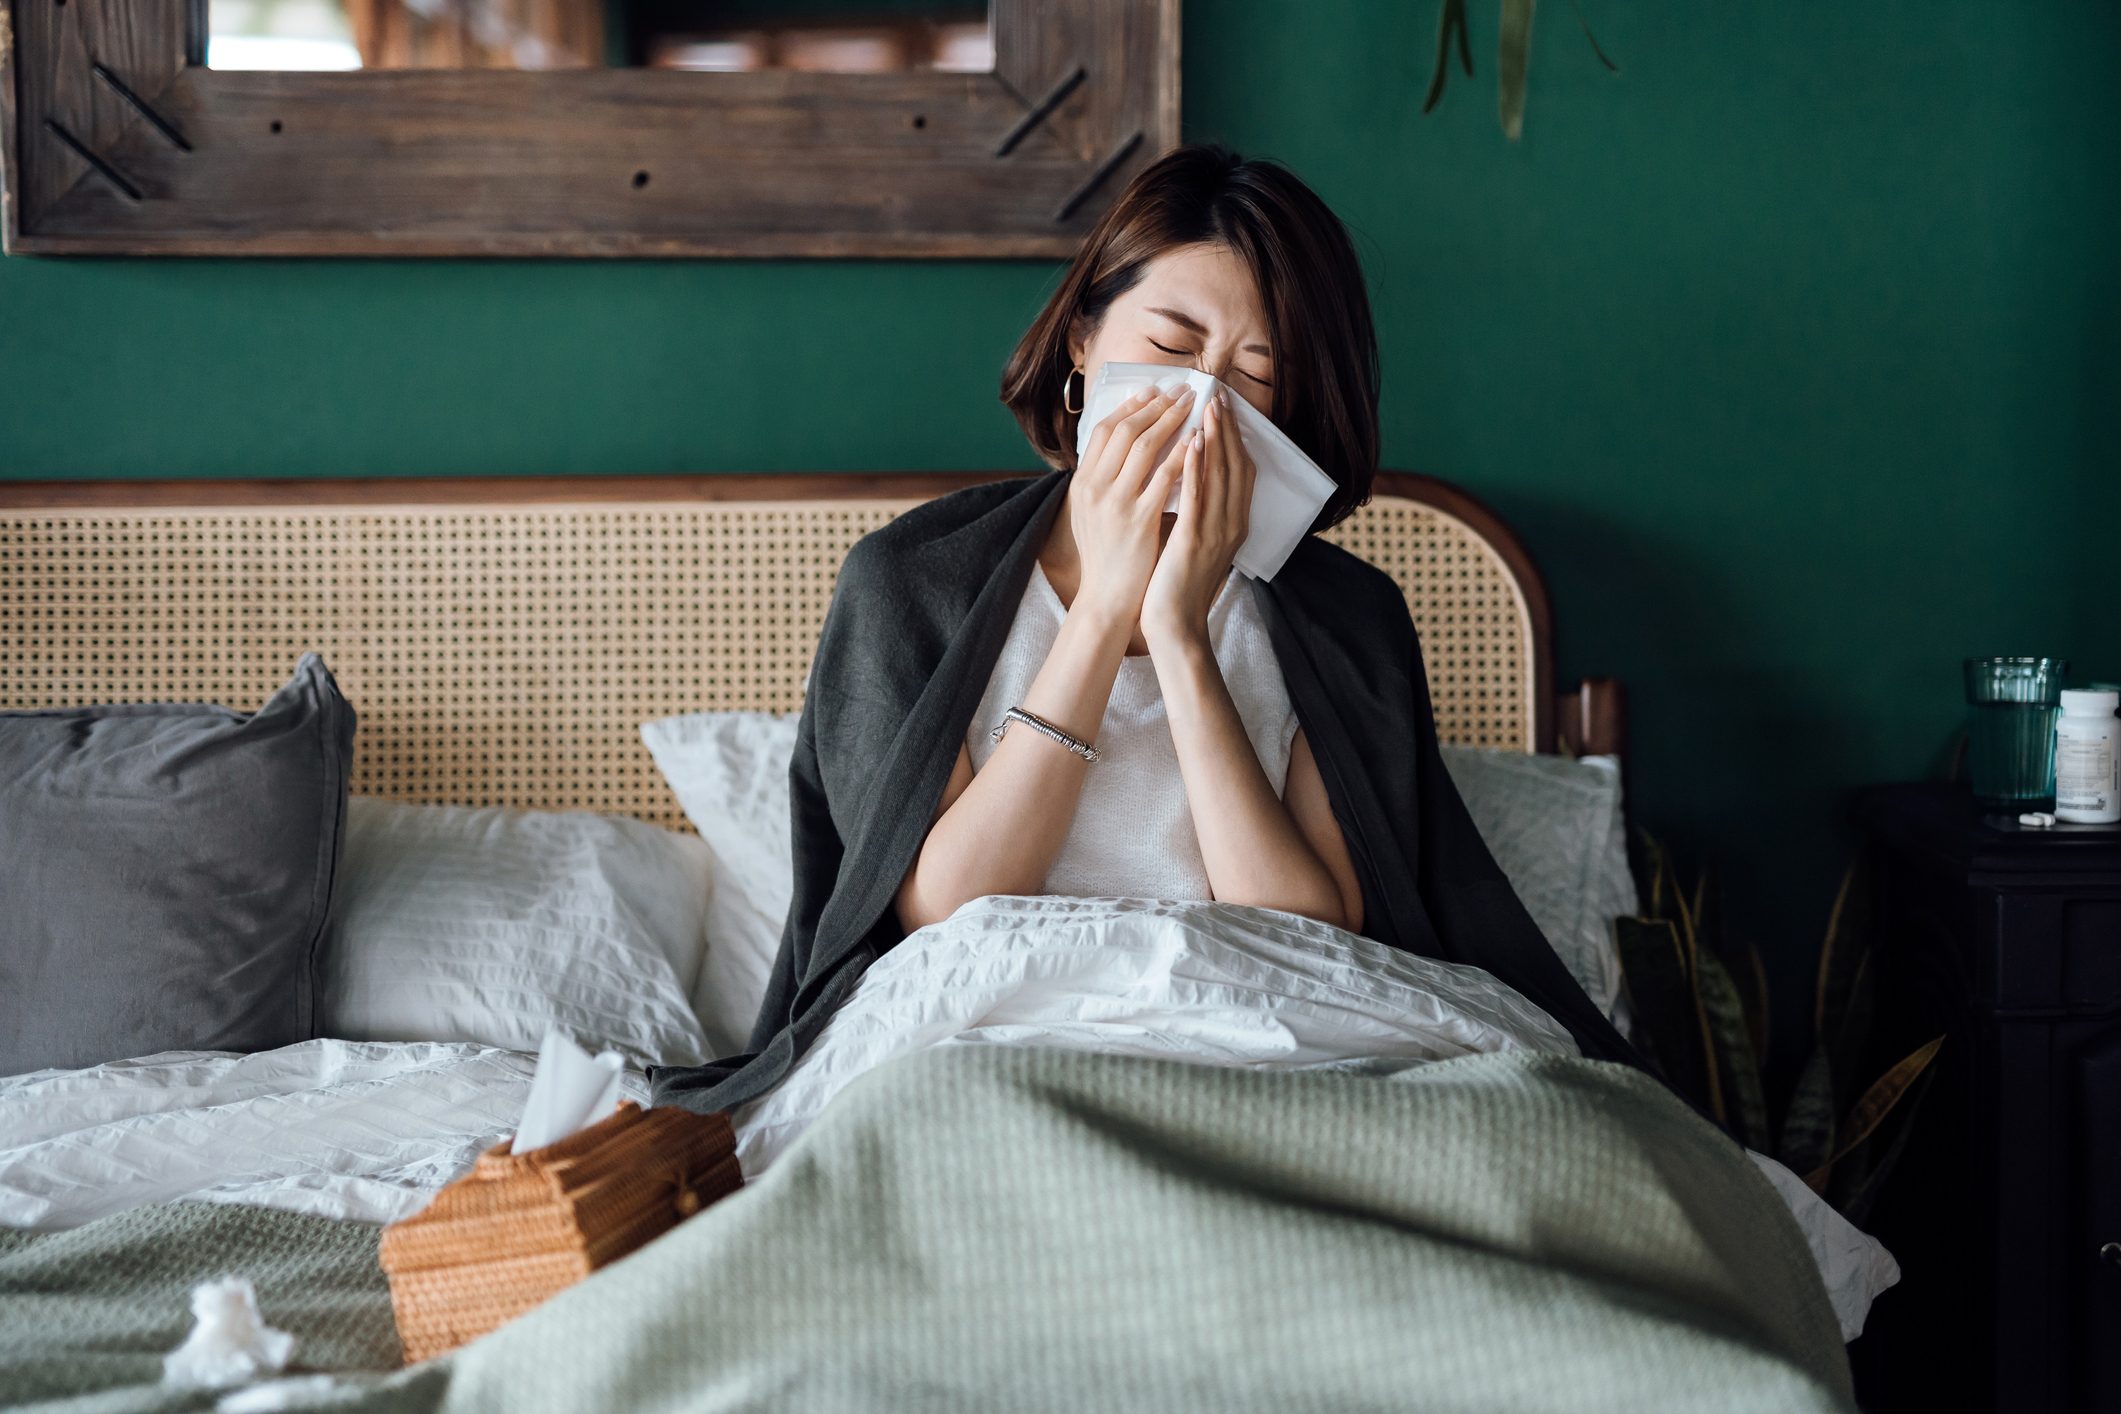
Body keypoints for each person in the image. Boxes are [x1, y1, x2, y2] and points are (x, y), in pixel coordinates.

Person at [649, 142, 1660, 1119]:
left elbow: (1308, 929)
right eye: (1172, 348)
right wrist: (1100, 613)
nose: (1203, 404)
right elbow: (948, 910)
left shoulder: (1344, 618)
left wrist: (1179, 632)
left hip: (1268, 1048)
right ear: (1084, 344)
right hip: (986, 1053)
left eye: (1256, 378)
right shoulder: (910, 584)